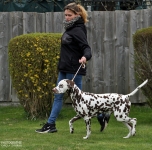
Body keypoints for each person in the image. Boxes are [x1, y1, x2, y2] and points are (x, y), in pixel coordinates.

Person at [35, 2, 109, 133]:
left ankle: (101, 115)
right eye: (65, 15)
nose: (67, 17)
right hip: (64, 68)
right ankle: (50, 125)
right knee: (58, 96)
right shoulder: (70, 28)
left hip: (74, 69)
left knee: (80, 99)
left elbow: (86, 48)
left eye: (69, 15)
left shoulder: (78, 29)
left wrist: (85, 57)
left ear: (77, 14)